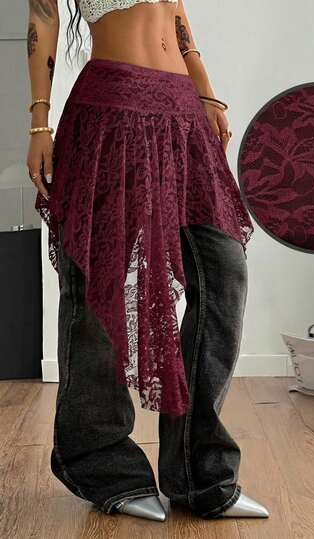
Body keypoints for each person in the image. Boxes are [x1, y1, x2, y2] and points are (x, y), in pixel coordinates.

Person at [26, 0, 269, 521]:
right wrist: (39, 125)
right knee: (97, 284)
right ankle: (102, 466)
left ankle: (200, 476)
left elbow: (175, 12)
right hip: (111, 106)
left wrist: (205, 90)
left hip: (182, 111)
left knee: (223, 271)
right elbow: (43, 17)